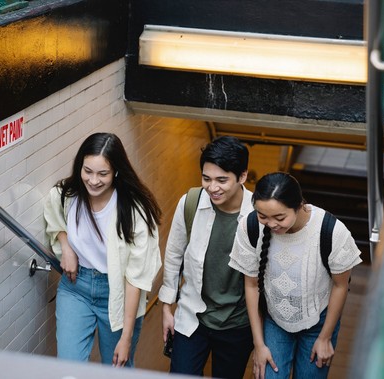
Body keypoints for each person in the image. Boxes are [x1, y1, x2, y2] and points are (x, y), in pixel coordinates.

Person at [43, 132, 162, 367]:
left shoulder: (135, 212)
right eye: (88, 171)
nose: (94, 180)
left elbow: (135, 279)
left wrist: (126, 338)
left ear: (116, 171)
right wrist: (66, 245)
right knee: (68, 368)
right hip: (76, 287)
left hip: (118, 293)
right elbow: (53, 212)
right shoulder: (67, 194)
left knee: (115, 369)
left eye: (103, 174)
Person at [228, 172, 362, 379]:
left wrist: (325, 337)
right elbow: (251, 285)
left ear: (299, 205)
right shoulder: (251, 226)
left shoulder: (331, 231)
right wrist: (259, 344)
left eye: (279, 217)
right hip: (275, 321)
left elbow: (340, 286)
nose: (271, 224)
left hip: (319, 321)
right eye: (263, 216)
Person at [159, 136, 255, 379]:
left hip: (237, 324)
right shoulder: (190, 202)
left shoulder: (257, 214)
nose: (212, 187)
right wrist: (166, 308)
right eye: (206, 179)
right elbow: (173, 254)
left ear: (242, 176)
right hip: (192, 318)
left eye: (222, 180)